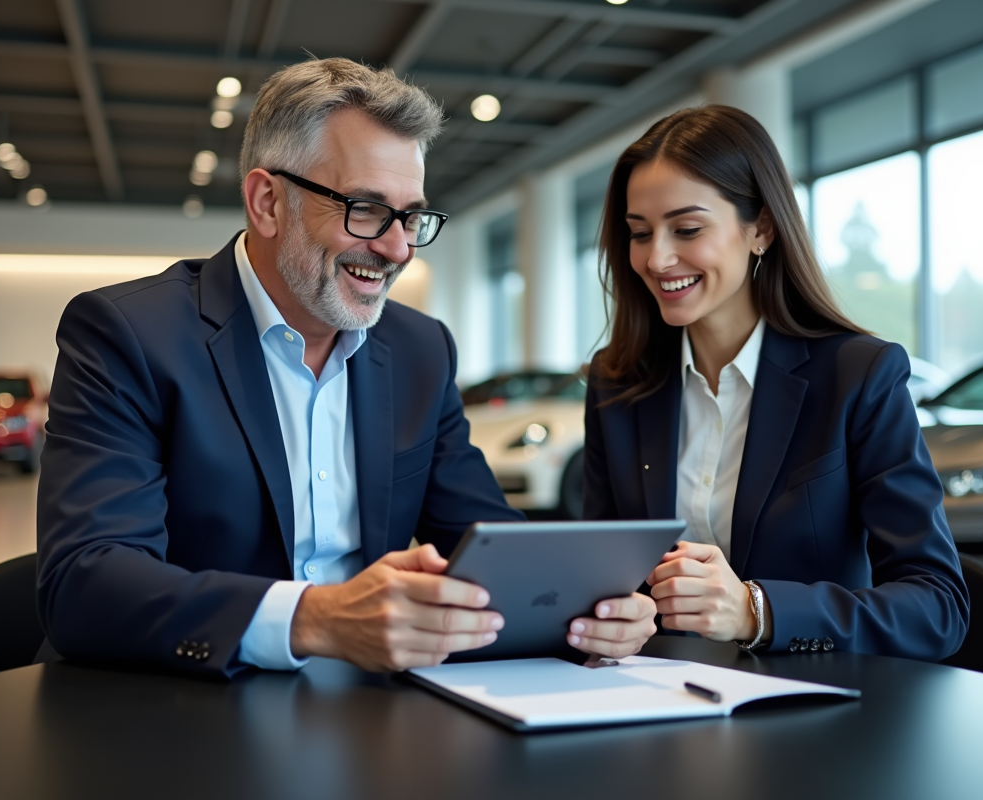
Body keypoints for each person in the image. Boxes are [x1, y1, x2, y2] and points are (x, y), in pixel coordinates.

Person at [36, 58, 656, 678]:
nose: (397, 248)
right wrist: (317, 619)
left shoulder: (421, 350)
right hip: (177, 708)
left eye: (411, 216)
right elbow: (86, 581)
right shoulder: (130, 334)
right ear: (267, 202)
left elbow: (482, 542)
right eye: (365, 208)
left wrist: (585, 611)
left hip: (370, 716)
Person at [583, 105, 968, 660]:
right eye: (639, 233)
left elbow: (939, 606)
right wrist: (606, 614)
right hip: (655, 704)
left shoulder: (858, 376)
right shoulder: (617, 386)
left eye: (687, 229)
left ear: (760, 228)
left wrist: (754, 610)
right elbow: (601, 577)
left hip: (811, 711)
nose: (657, 258)